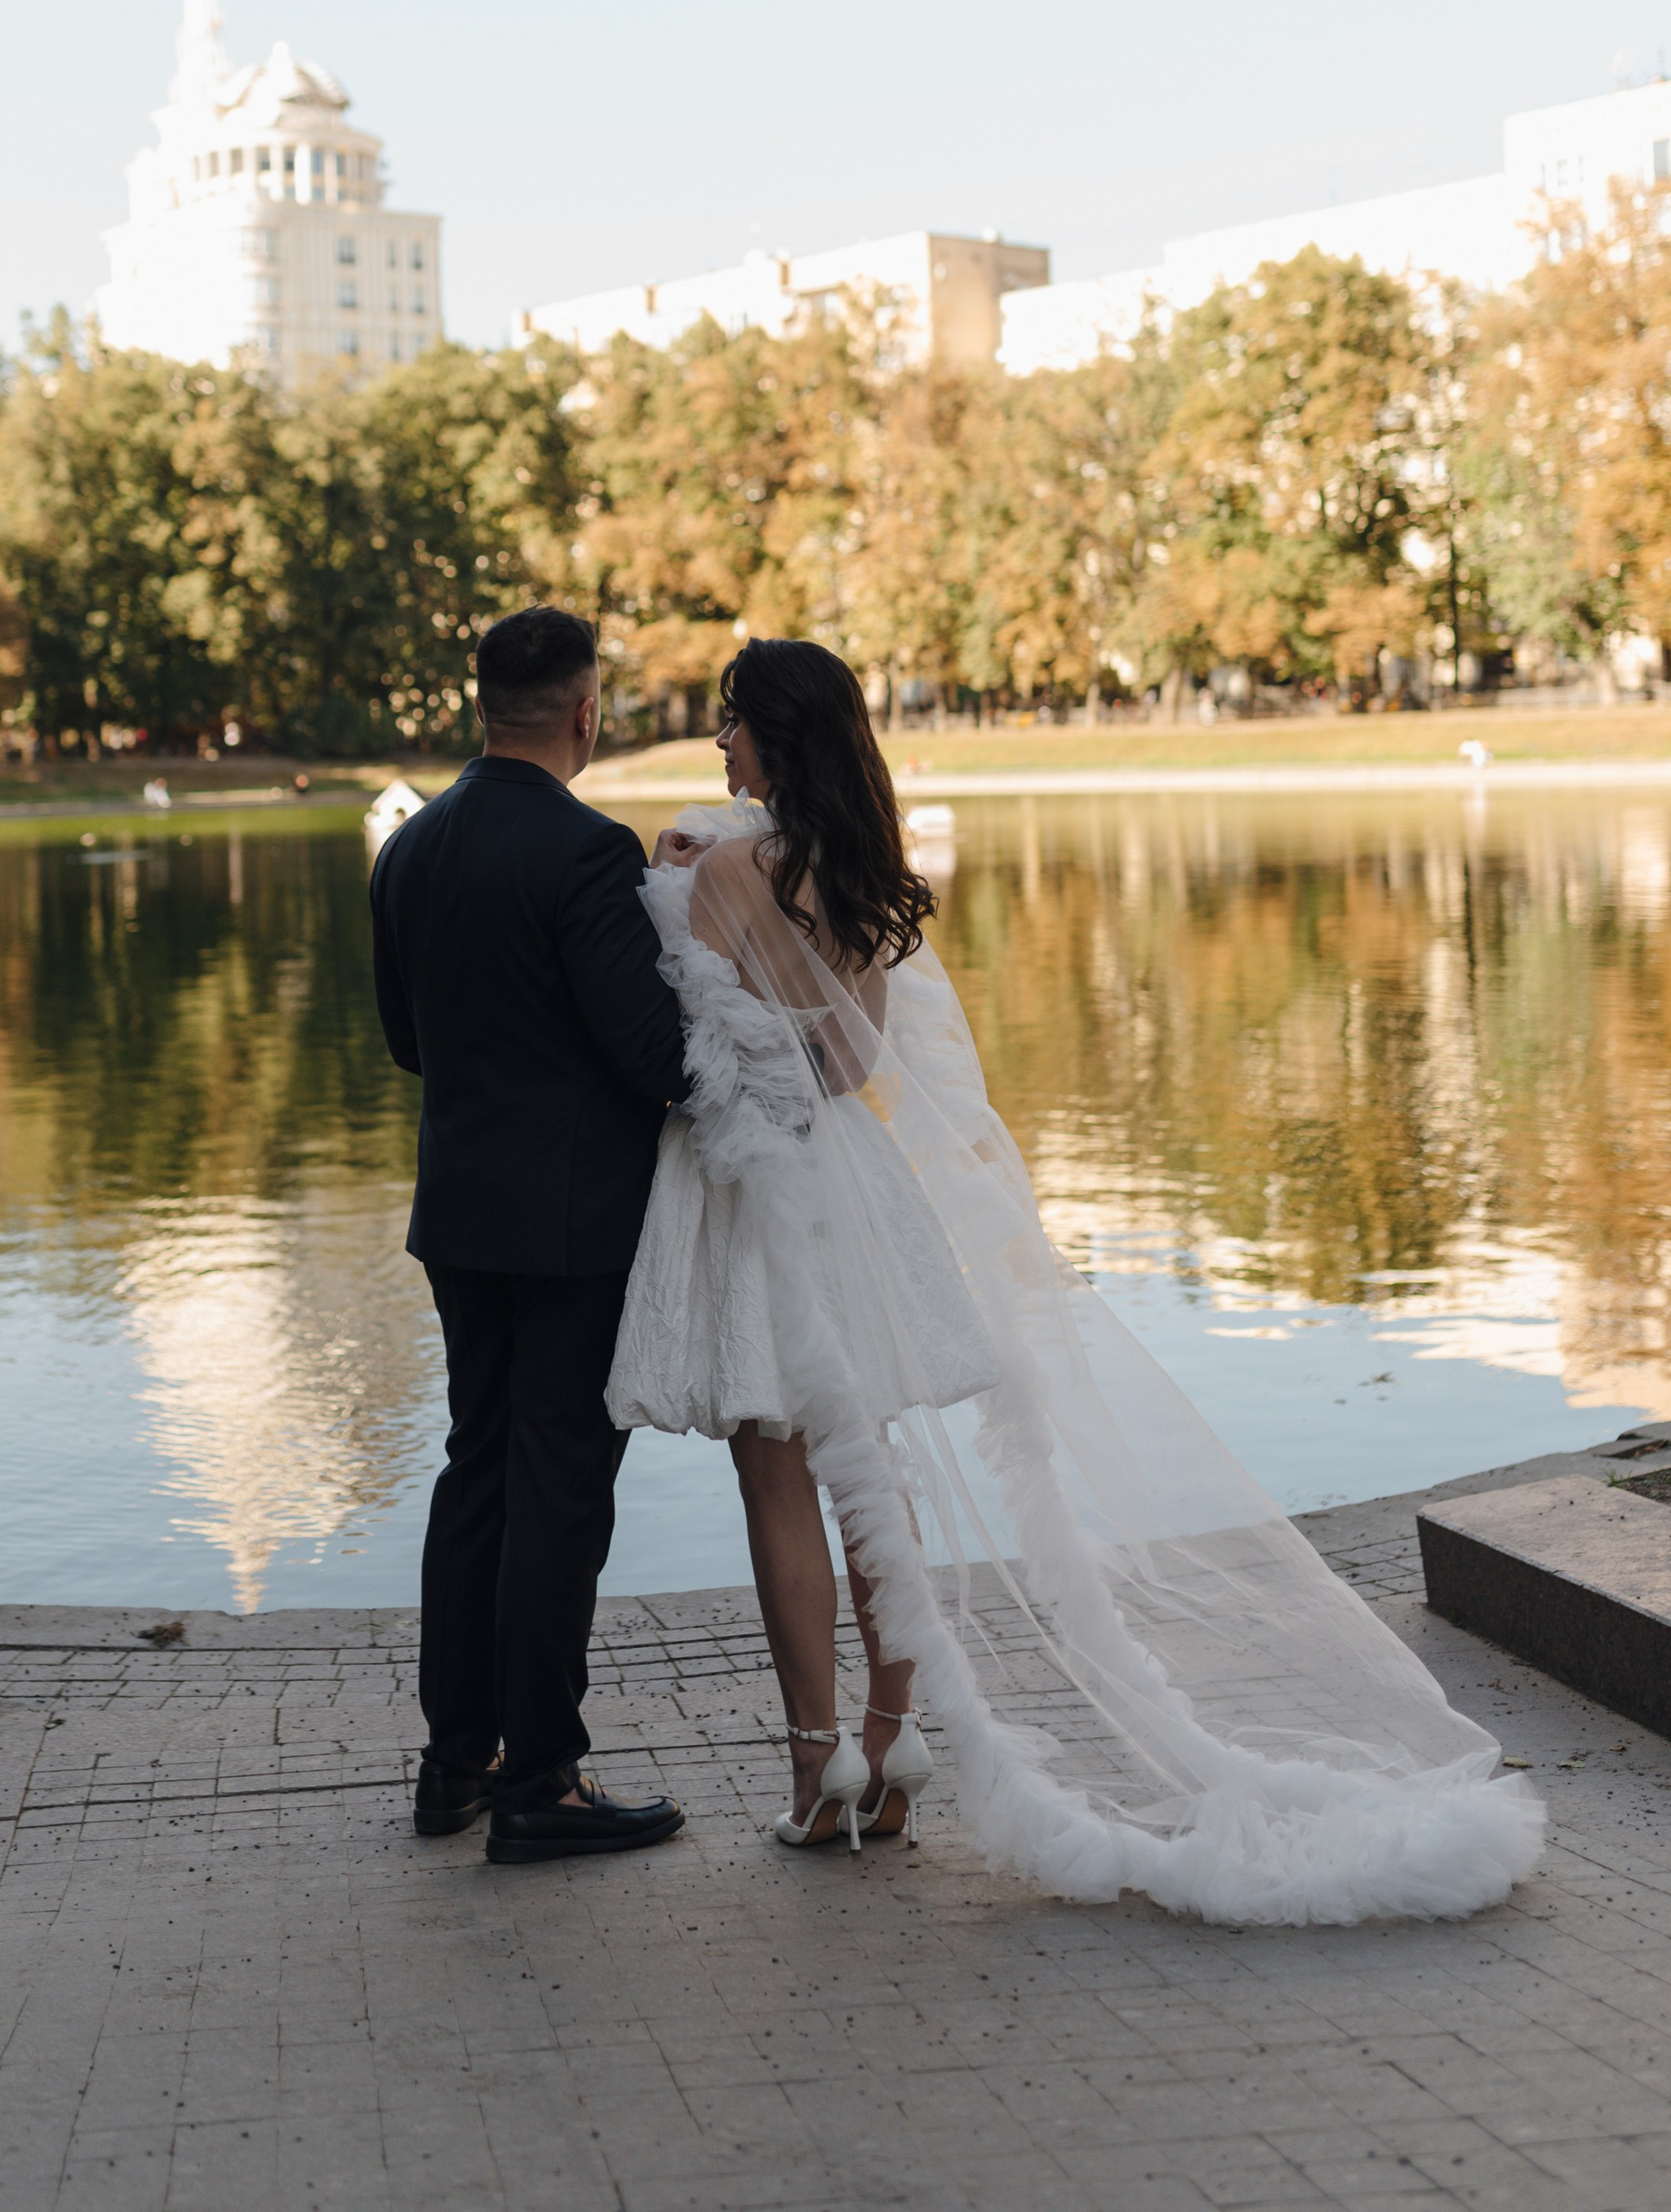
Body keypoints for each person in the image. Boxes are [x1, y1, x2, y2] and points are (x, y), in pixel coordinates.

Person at [608, 637, 1546, 1923]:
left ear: (776, 735)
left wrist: (679, 874)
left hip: (758, 1199)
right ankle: (894, 1744)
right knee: (871, 1468)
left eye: (732, 726)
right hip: (859, 1188)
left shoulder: (712, 874)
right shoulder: (869, 875)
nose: (720, 746)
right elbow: (849, 1059)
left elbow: (698, 1041)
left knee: (778, 1475)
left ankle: (814, 1765)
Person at [371, 606, 689, 1866]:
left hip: (459, 1211)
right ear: (584, 710)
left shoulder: (410, 850)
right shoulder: (586, 854)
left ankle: (455, 1762)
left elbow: (409, 1045)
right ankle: (544, 1779)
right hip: (571, 1224)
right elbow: (654, 1056)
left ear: (480, 706)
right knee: (562, 1487)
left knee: (479, 1472)